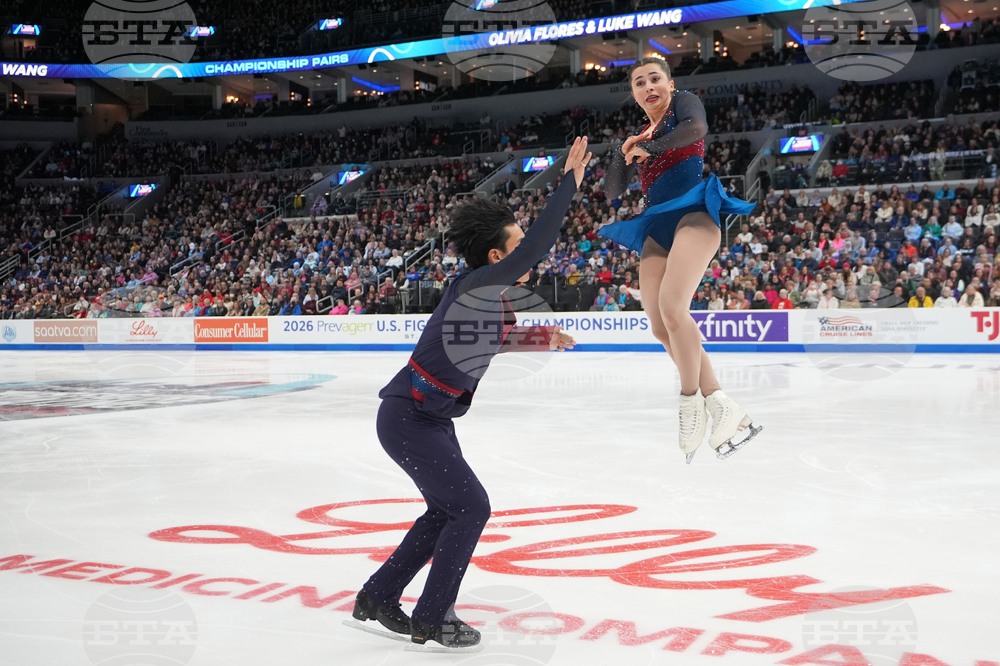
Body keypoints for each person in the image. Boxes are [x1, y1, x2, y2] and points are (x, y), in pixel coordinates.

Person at [352, 137, 589, 650]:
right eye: (517, 245)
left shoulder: (493, 304)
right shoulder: (475, 285)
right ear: (496, 256)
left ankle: (378, 596)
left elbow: (494, 344)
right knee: (472, 508)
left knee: (446, 511)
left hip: (426, 420)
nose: (528, 253)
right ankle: (433, 617)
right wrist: (567, 183)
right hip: (409, 417)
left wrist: (542, 338)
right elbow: (535, 247)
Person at [598, 57, 759, 464]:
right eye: (639, 82)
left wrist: (647, 146)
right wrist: (624, 152)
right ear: (633, 93)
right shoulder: (638, 137)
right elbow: (612, 193)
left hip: (695, 215)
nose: (648, 86)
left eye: (655, 79)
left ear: (670, 83)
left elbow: (697, 129)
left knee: (674, 308)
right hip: (657, 230)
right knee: (659, 325)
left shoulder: (683, 105)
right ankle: (721, 402)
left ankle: (691, 402)